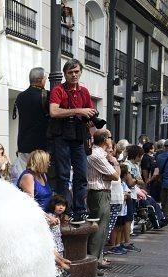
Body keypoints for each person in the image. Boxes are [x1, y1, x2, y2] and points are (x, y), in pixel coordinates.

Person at [49, 59, 98, 222]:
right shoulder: (58, 89)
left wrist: (91, 123)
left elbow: (88, 114)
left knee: (81, 174)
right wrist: (79, 110)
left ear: (81, 72)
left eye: (76, 71)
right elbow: (54, 112)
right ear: (65, 74)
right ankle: (66, 209)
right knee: (63, 175)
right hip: (62, 135)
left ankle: (80, 209)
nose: (74, 75)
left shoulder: (84, 91)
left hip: (79, 135)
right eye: (70, 72)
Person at [86, 129, 120, 270]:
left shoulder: (102, 154)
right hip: (98, 192)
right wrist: (115, 164)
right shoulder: (97, 155)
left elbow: (112, 176)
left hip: (103, 191)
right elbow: (116, 175)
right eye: (110, 137)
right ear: (106, 139)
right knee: (98, 228)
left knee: (103, 228)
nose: (111, 140)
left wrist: (112, 168)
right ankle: (93, 262)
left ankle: (98, 259)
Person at [13, 67, 50, 174]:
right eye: (45, 79)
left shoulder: (20, 96)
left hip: (23, 145)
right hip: (41, 146)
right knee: (40, 177)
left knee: (25, 175)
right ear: (40, 80)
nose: (45, 81)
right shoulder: (46, 95)